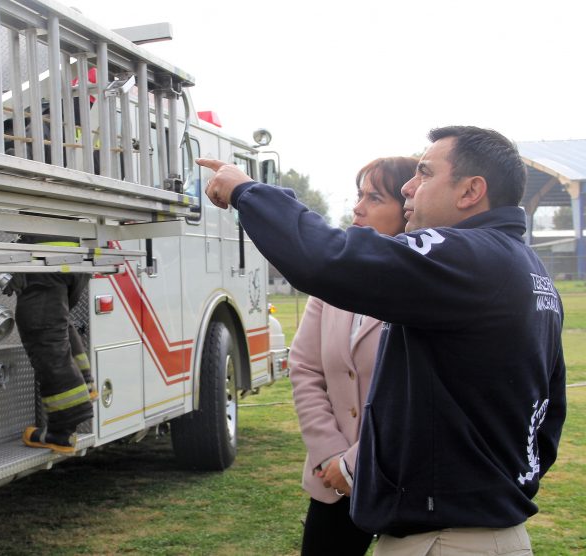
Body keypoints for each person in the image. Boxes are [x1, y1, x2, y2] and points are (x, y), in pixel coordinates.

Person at [198, 126, 566, 555]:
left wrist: (247, 191)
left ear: (471, 191)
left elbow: (327, 258)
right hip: (482, 529)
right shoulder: (528, 269)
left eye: (425, 174)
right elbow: (547, 420)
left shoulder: (466, 257)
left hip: (446, 539)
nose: (410, 186)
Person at [291, 156, 417, 555]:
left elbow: (418, 398)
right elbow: (304, 368)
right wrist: (331, 455)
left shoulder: (425, 288)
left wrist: (354, 464)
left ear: (407, 210)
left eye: (374, 197)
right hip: (332, 484)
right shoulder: (332, 284)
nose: (358, 207)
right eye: (358, 195)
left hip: (404, 482)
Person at [11, 237, 96, 454]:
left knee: (45, 336)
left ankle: (62, 431)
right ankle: (86, 386)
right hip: (71, 256)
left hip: (45, 257)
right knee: (56, 327)